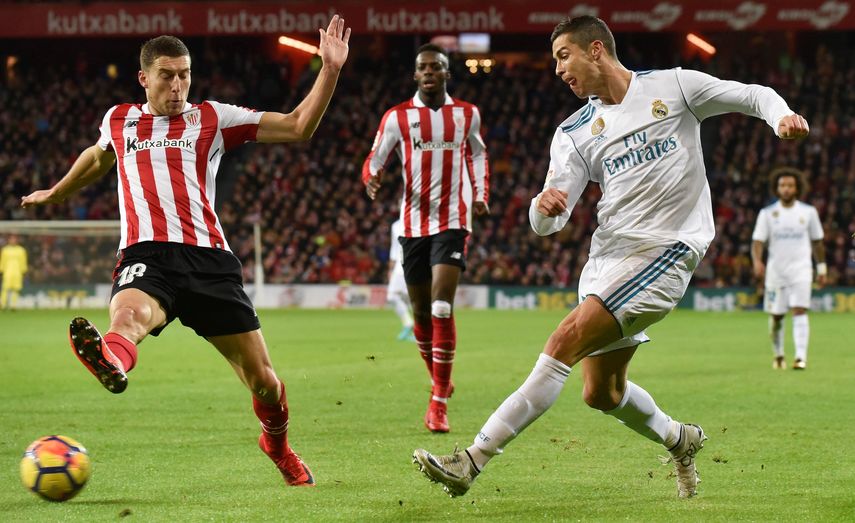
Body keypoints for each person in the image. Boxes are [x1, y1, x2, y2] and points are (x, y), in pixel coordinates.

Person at [413, 15, 809, 498]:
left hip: (668, 248)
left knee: (562, 341)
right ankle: (679, 439)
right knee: (602, 392)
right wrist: (544, 209)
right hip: (608, 259)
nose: (559, 69)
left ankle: (472, 459)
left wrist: (781, 115)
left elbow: (751, 95)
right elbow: (548, 221)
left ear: (596, 49)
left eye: (564, 56)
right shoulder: (575, 131)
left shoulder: (675, 86)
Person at [21, 16, 351, 487]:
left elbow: (298, 127)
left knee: (265, 382)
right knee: (128, 318)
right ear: (144, 78)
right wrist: (56, 192)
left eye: (184, 75)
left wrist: (330, 70)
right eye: (166, 76)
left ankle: (276, 444)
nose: (177, 86)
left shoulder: (213, 118)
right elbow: (99, 155)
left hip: (208, 260)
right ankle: (112, 361)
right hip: (146, 254)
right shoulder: (119, 120)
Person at [362, 43, 490, 433]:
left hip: (453, 219)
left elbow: (478, 155)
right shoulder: (398, 118)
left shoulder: (467, 114)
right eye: (423, 67)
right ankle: (440, 378)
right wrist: (371, 178)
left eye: (437, 66)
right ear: (415, 75)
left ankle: (437, 403)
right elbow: (374, 158)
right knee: (420, 313)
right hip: (413, 225)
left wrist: (481, 194)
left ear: (447, 73)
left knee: (440, 308)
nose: (430, 72)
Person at [751, 168, 825, 370]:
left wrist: (822, 269)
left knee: (800, 310)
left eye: (790, 185)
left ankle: (801, 357)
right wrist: (757, 261)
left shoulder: (808, 212)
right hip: (776, 272)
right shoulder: (767, 214)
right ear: (777, 188)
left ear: (797, 188)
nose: (786, 189)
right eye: (782, 185)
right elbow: (757, 241)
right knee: (777, 316)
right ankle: (778, 354)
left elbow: (817, 242)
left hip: (801, 270)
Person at [387, 218, 416, 342]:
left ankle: (421, 329)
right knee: (393, 297)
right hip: (399, 267)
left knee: (414, 298)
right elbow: (394, 248)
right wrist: (390, 268)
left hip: (415, 264)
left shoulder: (418, 222)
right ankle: (409, 323)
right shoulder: (396, 225)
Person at [0, 234, 28, 311]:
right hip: (7, 272)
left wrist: (24, 271)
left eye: (14, 239)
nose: (13, 241)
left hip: (17, 272)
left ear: (17, 240)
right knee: (5, 288)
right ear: (9, 240)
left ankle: (13, 305)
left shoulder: (21, 250)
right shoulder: (5, 250)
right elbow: (2, 261)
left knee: (16, 289)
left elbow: (23, 261)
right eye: (11, 239)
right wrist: (1, 271)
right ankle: (2, 305)